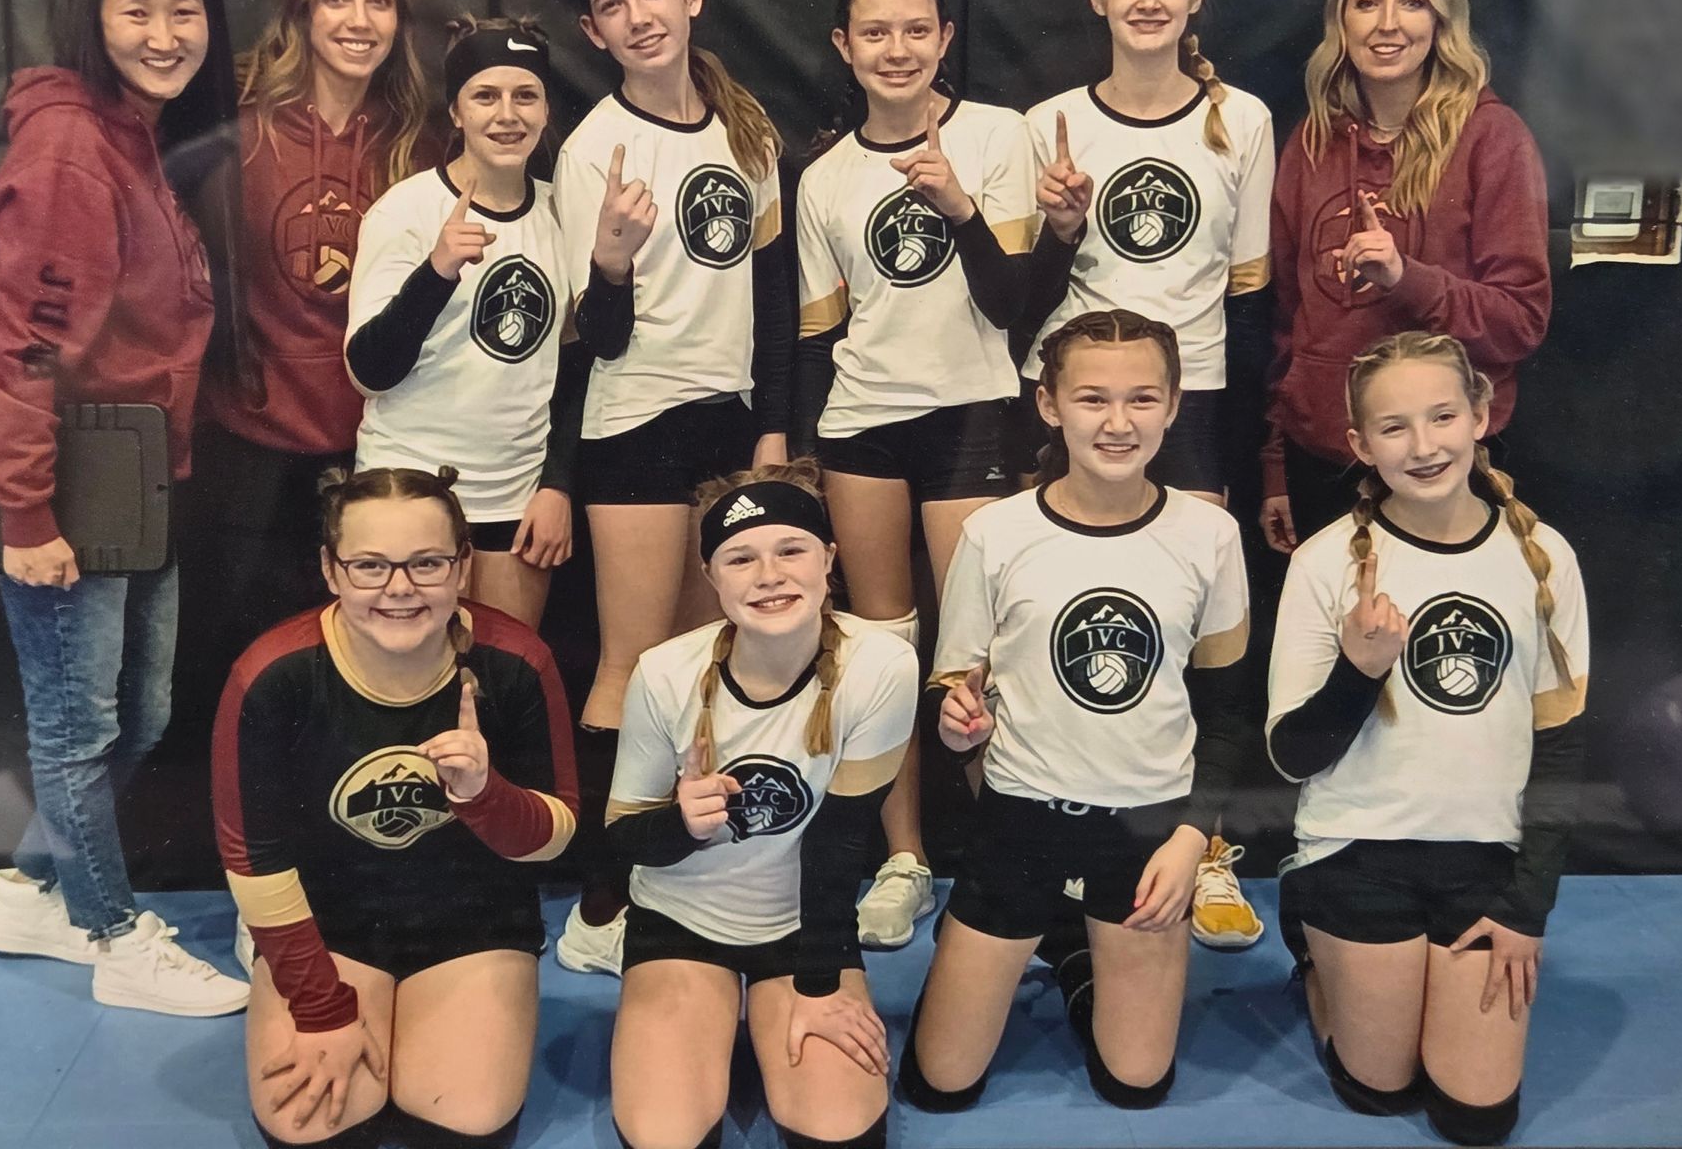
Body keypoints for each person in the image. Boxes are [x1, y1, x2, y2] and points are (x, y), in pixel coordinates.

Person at [0, 0, 251, 1013]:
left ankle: (34, 890)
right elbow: (25, 348)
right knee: (78, 728)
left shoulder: (132, 136)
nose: (165, 33)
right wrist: (27, 515)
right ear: (91, 18)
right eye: (137, 10)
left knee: (136, 718)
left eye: (185, 10)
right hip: (72, 491)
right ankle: (112, 935)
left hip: (137, 485)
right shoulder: (69, 150)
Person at [902, 310, 1251, 1113]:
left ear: (1174, 405)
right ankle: (1057, 936)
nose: (1118, 423)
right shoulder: (994, 534)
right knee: (940, 1085)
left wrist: (1191, 840)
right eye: (1093, 399)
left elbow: (1228, 713)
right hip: (1019, 821)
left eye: (1141, 399)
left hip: (1149, 828)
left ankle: (1078, 955)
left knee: (1137, 1084)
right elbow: (951, 685)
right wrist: (957, 723)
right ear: (1050, 405)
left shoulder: (1210, 536)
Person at [1023, 0, 1274, 949]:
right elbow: (1021, 298)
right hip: (1076, 407)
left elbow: (1250, 300)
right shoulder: (1050, 124)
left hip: (1194, 404)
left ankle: (1201, 843)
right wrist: (1061, 229)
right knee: (1077, 619)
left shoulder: (1242, 121)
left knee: (1191, 634)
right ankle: (1053, 850)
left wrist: (1254, 452)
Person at [1266, 331, 1587, 1145]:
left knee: (1475, 1120)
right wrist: (1358, 670)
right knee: (1379, 1090)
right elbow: (1292, 755)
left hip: (1484, 861)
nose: (1422, 445)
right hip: (1356, 851)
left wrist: (1528, 909)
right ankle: (1312, 941)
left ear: (1481, 414)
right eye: (1394, 426)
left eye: (1442, 416)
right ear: (1360, 444)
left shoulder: (1544, 557)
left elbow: (1562, 746)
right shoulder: (1324, 563)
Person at [550, 0, 795, 973]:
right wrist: (610, 260)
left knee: (707, 663)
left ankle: (677, 876)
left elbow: (775, 297)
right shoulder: (591, 150)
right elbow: (592, 339)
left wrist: (774, 428)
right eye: (612, 5)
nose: (638, 16)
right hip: (637, 427)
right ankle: (601, 903)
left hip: (729, 428)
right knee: (634, 662)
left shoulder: (748, 130)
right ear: (592, 31)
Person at [214, 466, 578, 1148]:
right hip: (332, 924)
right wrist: (320, 1009)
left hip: (473, 923)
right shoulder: (273, 673)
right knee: (310, 1121)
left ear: (463, 567)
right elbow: (253, 859)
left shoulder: (516, 661)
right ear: (331, 570)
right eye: (371, 566)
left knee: (463, 1114)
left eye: (427, 563)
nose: (400, 587)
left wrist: (484, 796)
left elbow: (557, 837)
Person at [791, 0, 1035, 949]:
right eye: (875, 32)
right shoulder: (824, 178)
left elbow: (1015, 304)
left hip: (973, 413)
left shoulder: (997, 135)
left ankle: (1009, 848)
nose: (897, 49)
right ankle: (904, 858)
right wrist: (802, 451)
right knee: (883, 648)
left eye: (916, 29)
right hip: (863, 426)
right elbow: (819, 338)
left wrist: (959, 207)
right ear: (844, 47)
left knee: (980, 643)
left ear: (945, 38)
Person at [604, 462, 915, 1149]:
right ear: (711, 577)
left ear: (829, 558)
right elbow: (620, 840)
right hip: (681, 921)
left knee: (837, 1128)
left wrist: (819, 986)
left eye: (790, 550)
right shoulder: (665, 673)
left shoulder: (881, 665)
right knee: (663, 1136)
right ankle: (706, 1025)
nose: (769, 576)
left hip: (801, 927)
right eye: (741, 558)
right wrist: (681, 826)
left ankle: (762, 1022)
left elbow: (840, 842)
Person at [189, 0, 433, 676]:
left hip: (375, 443)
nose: (360, 20)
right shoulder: (234, 129)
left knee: (362, 665)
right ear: (300, 8)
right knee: (243, 665)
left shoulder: (420, 142)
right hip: (250, 443)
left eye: (379, 1)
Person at [1260, 0, 1551, 555]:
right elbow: (1288, 323)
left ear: (1442, 19)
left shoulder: (1492, 138)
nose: (1387, 23)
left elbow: (1521, 322)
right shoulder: (1312, 141)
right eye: (1367, 2)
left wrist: (1405, 278)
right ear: (1341, 20)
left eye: (1412, 2)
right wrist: (1276, 466)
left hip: (1440, 462)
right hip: (1323, 460)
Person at [347, 15, 582, 629]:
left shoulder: (564, 211)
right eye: (485, 96)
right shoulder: (405, 211)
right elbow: (368, 372)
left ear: (545, 109)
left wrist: (557, 484)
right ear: (455, 111)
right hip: (406, 488)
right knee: (408, 669)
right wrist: (437, 271)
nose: (507, 115)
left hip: (515, 498)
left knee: (503, 673)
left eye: (525, 95)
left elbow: (576, 366)